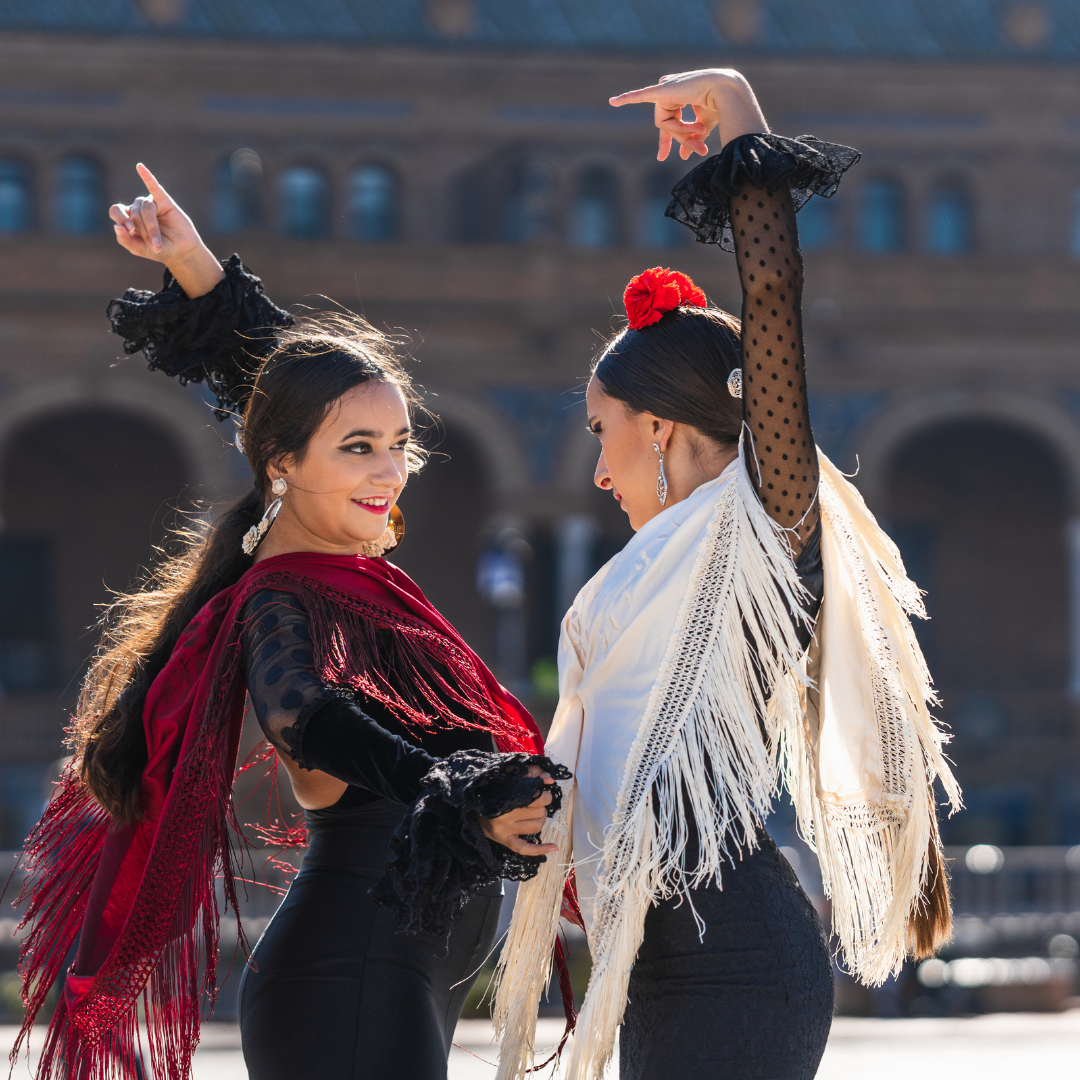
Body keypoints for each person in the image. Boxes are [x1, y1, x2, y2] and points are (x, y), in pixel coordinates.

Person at [14, 164, 573, 1080]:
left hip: (387, 979)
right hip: (347, 982)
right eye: (358, 450)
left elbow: (295, 386)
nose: (387, 472)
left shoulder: (354, 582)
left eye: (398, 445)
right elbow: (306, 714)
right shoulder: (282, 596)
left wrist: (195, 264)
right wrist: (451, 782)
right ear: (281, 466)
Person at [493, 70, 961, 1080]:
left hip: (739, 957)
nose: (599, 466)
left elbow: (774, 299)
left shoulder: (762, 522)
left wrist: (737, 117)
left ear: (660, 427)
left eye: (601, 435)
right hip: (657, 957)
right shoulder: (661, 557)